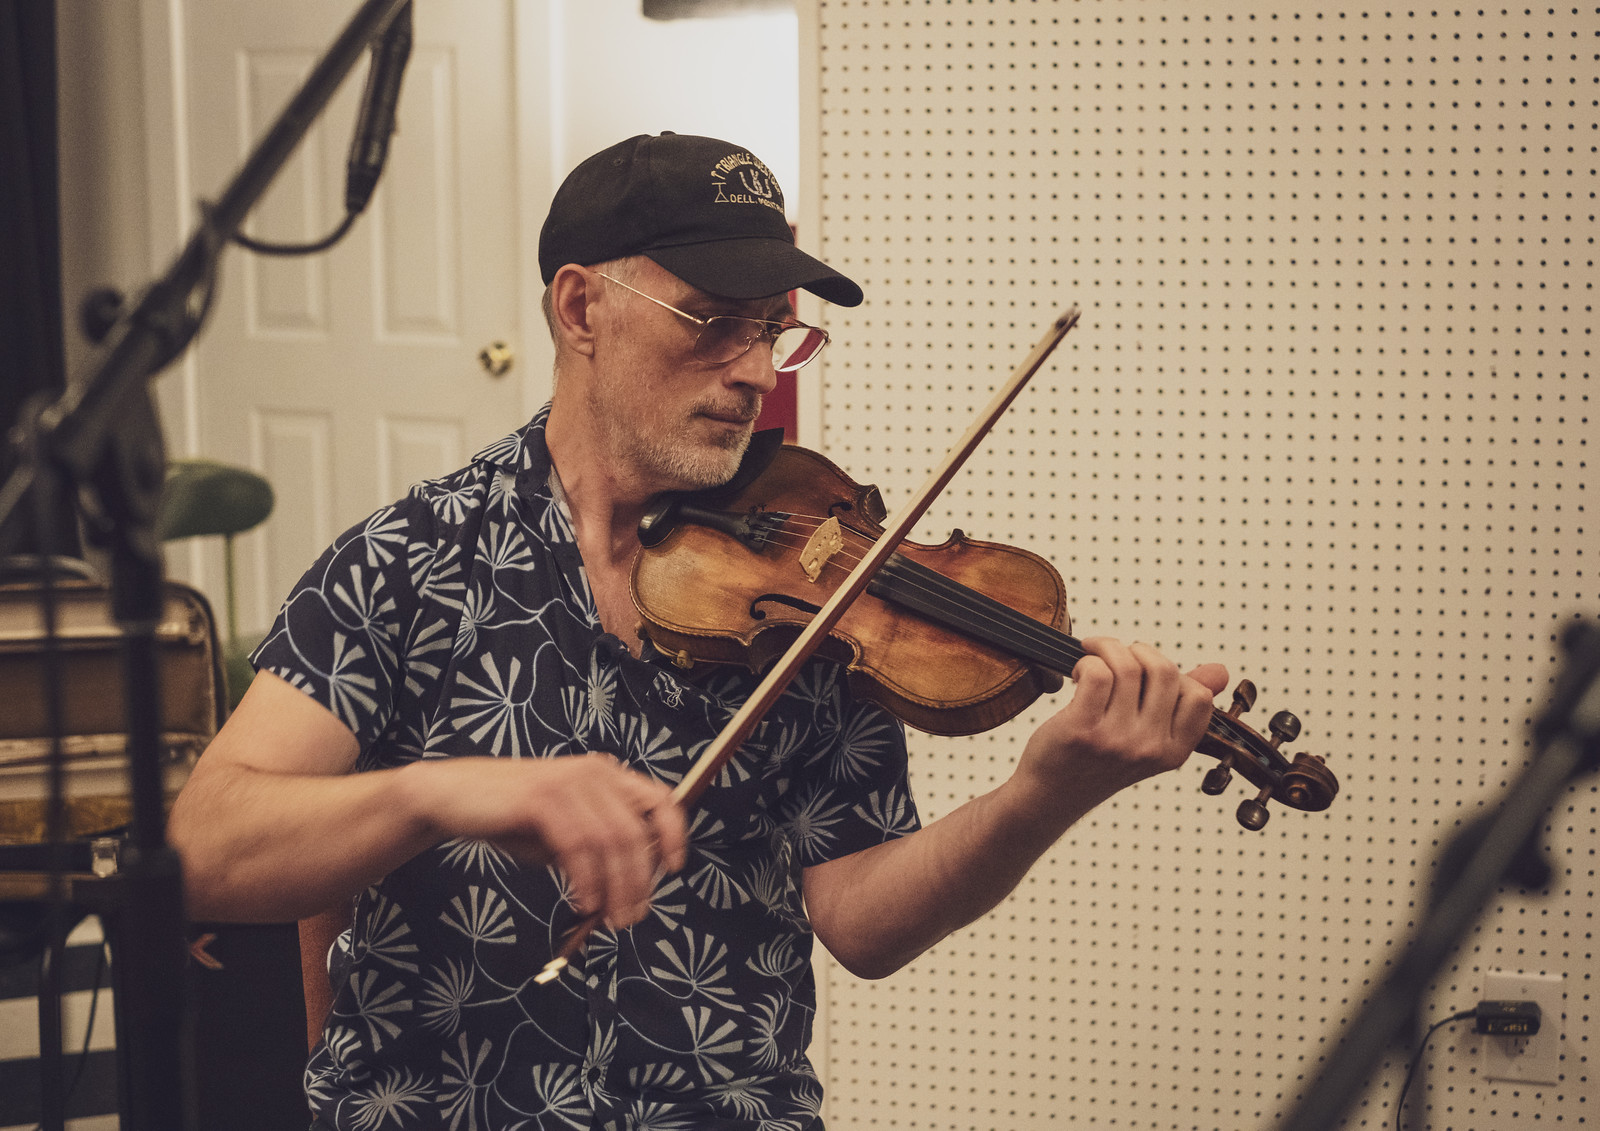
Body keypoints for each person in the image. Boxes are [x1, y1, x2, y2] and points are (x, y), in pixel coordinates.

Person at [167, 132, 1227, 1131]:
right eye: (711, 321)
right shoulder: (411, 560)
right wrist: (441, 788)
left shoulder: (818, 587)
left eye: (772, 328)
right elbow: (204, 849)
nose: (757, 371)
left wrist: (1044, 795)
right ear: (581, 308)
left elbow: (862, 916)